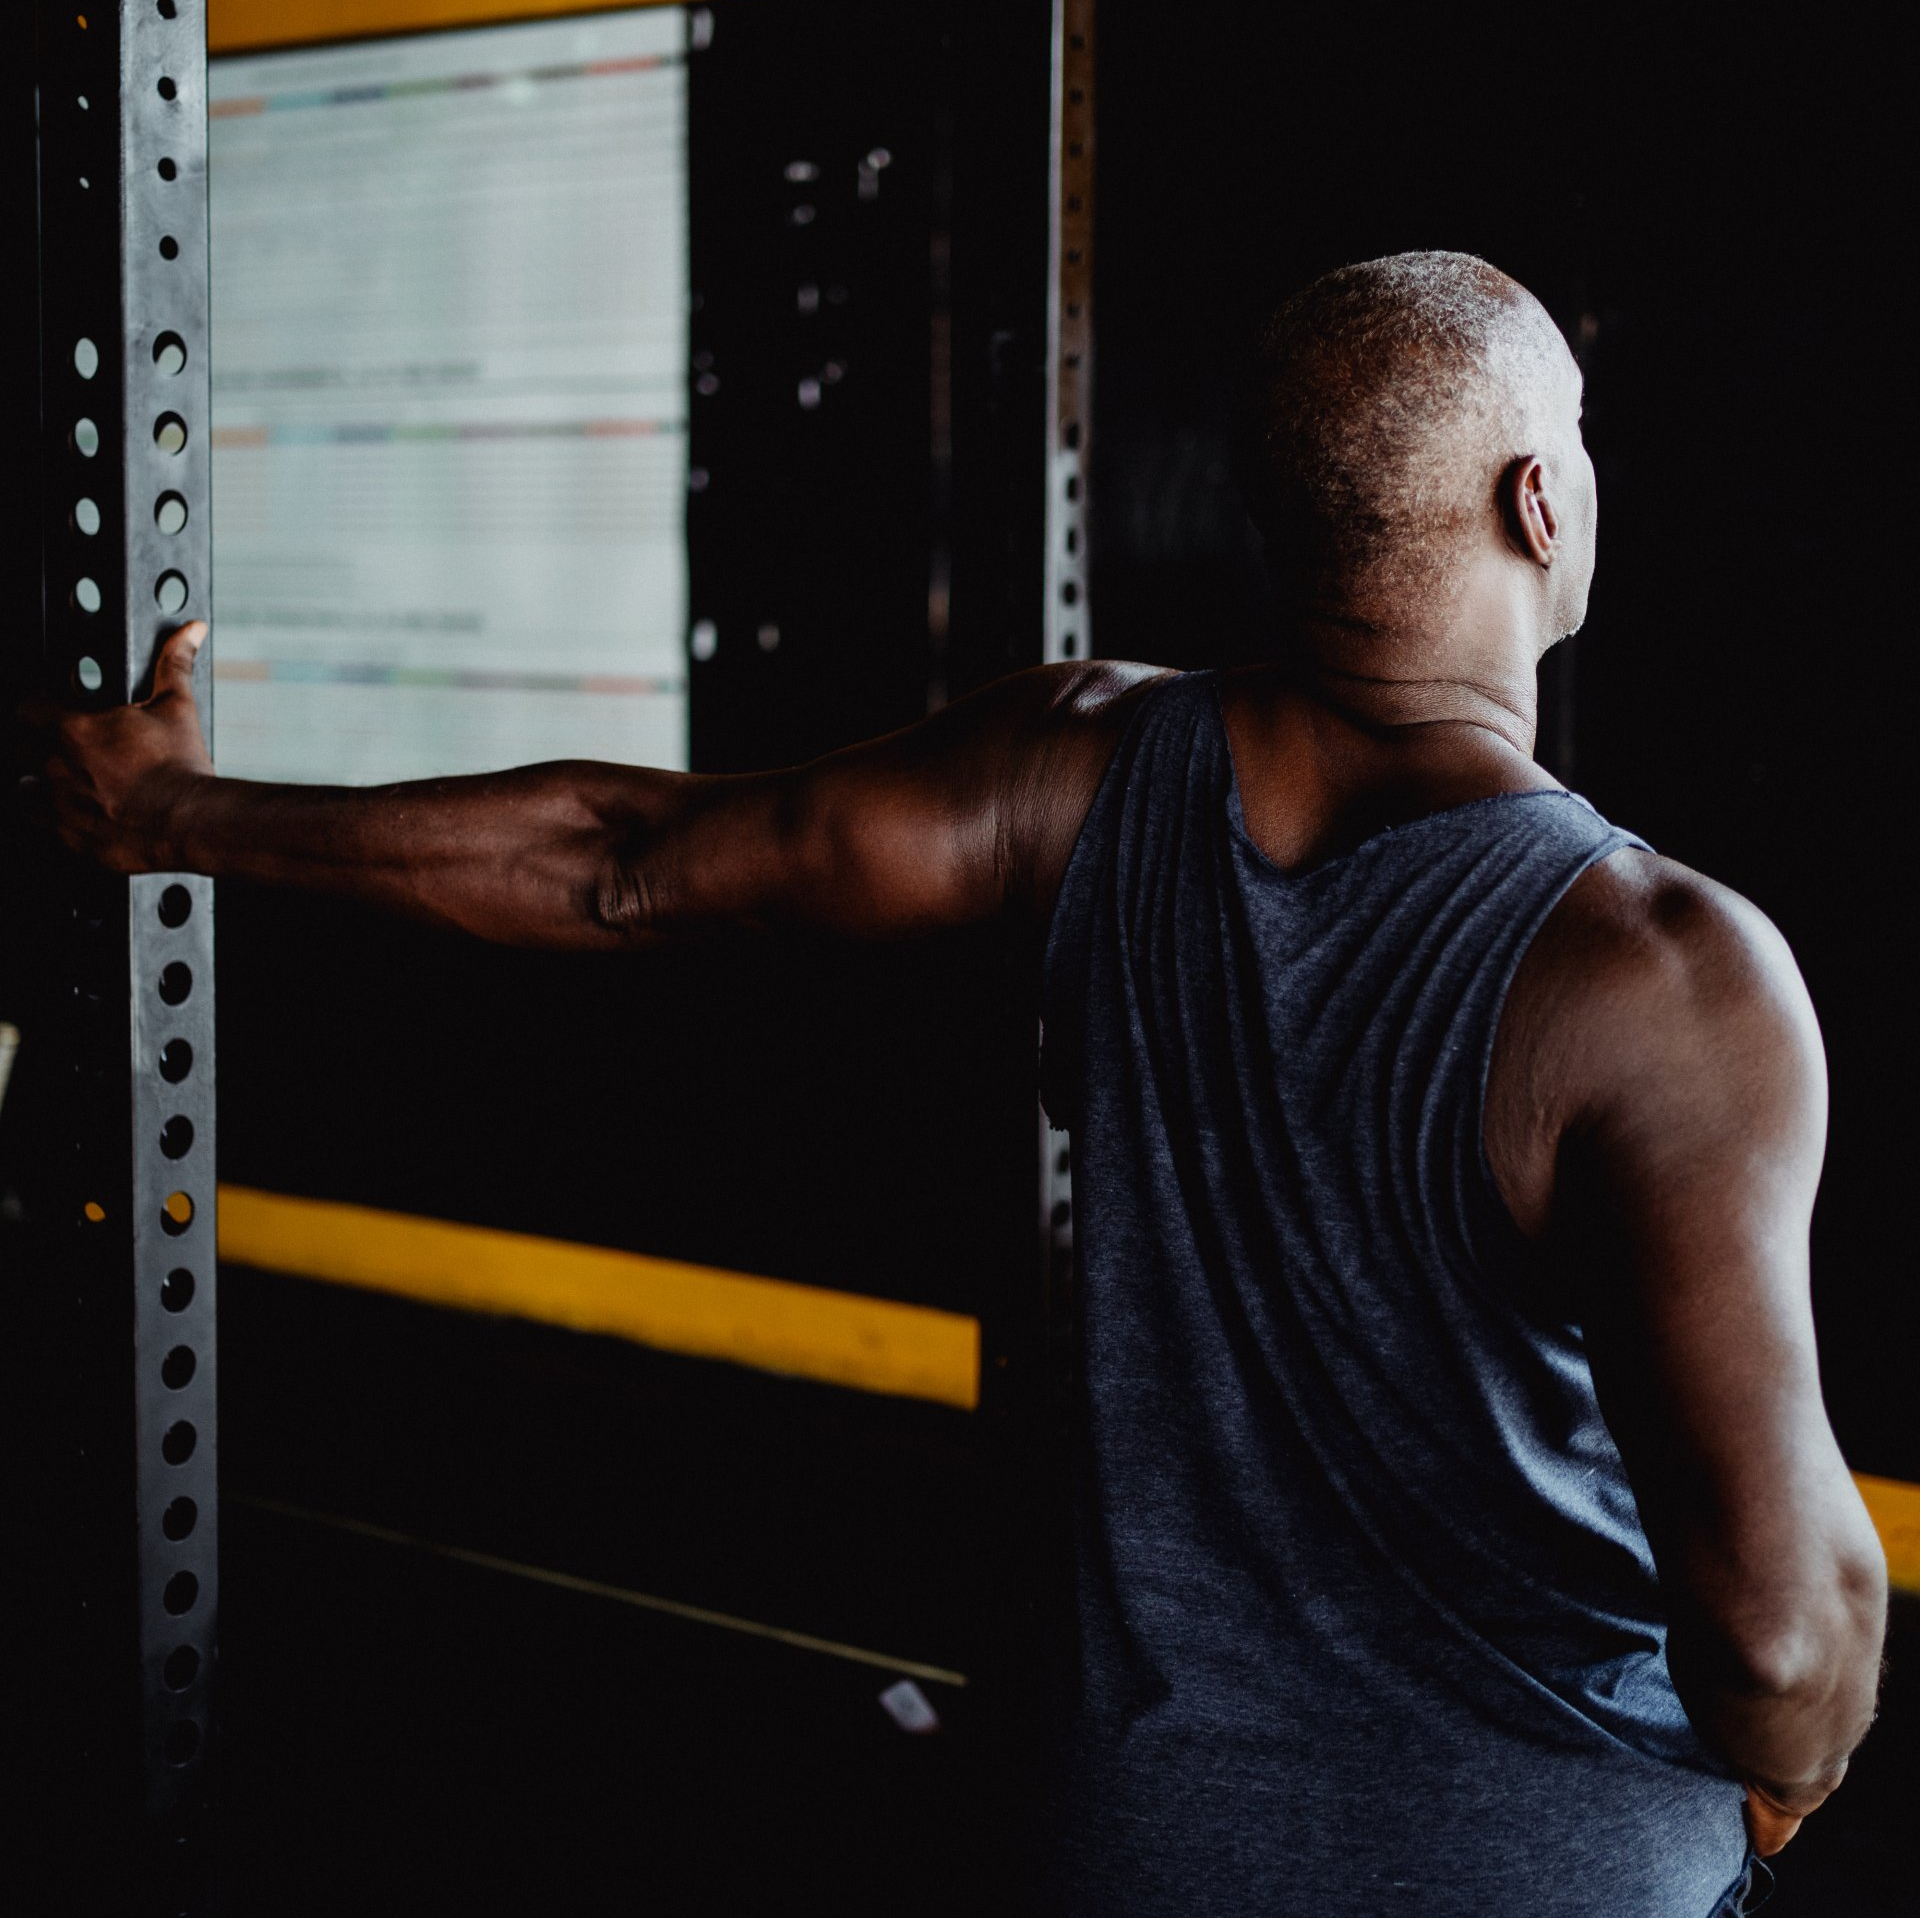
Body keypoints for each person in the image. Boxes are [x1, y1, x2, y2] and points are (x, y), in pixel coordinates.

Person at [31, 252, 1885, 1916]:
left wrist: (174, 809)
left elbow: (621, 858)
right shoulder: (1665, 971)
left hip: (1123, 1853)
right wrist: (1786, 1775)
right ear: (1538, 501)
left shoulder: (1074, 770)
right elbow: (1786, 1631)